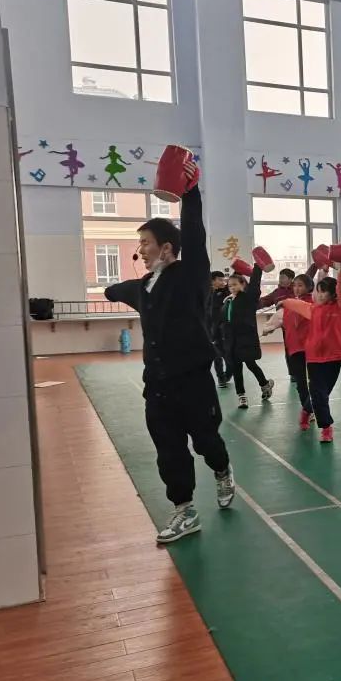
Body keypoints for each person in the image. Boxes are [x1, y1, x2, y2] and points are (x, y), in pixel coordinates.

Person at [103, 171, 236, 544]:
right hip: (158, 386)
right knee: (169, 450)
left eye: (145, 242)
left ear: (166, 248)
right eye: (140, 243)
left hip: (193, 382)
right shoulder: (144, 287)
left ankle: (222, 469)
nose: (141, 249)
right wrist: (109, 290)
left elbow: (194, 234)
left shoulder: (189, 275)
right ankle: (185, 510)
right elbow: (118, 289)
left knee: (205, 441)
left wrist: (190, 192)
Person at [284, 266, 341, 443]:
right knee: (319, 394)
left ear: (333, 294)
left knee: (323, 393)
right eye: (317, 292)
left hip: (334, 357)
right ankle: (326, 427)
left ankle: (306, 410)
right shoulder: (313, 309)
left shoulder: (340, 308)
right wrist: (284, 302)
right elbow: (297, 304)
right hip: (313, 358)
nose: (319, 295)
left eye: (323, 292)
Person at [261, 274, 315, 430]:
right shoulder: (289, 304)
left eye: (300, 285)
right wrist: (269, 328)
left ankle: (312, 408)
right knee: (300, 383)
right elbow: (279, 318)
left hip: (311, 348)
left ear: (309, 287)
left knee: (314, 382)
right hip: (295, 348)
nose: (296, 288)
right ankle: (308, 410)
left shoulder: (313, 304)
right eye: (295, 285)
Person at [222, 270, 274, 409]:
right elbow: (223, 321)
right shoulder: (228, 301)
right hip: (231, 342)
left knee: (251, 364)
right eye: (230, 286)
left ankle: (265, 385)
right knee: (236, 369)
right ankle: (242, 396)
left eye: (235, 284)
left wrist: (257, 267)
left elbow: (255, 285)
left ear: (242, 284)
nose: (232, 288)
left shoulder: (248, 298)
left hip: (246, 341)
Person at [207, 271, 230, 388]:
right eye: (220, 280)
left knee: (228, 354)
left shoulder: (225, 291)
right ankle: (221, 378)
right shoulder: (206, 293)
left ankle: (228, 374)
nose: (222, 282)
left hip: (225, 328)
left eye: (223, 280)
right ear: (213, 281)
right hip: (212, 330)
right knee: (217, 355)